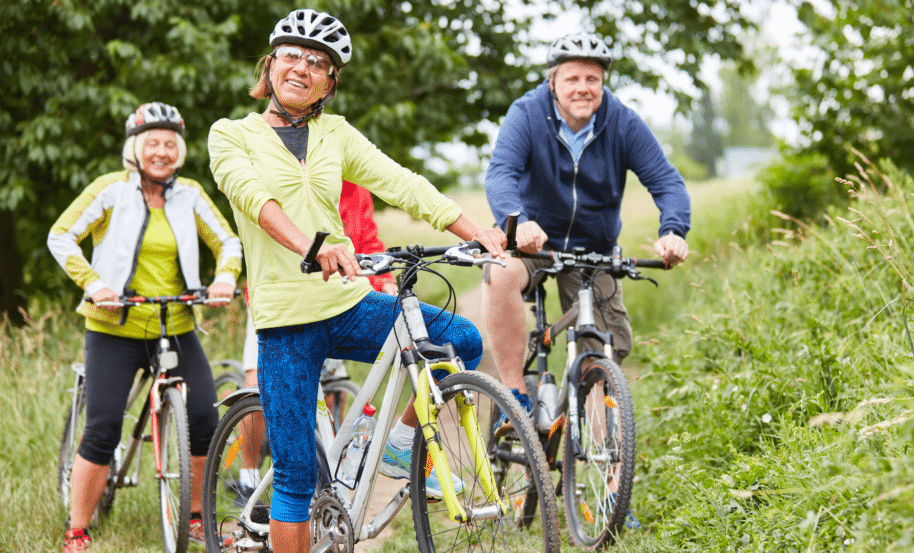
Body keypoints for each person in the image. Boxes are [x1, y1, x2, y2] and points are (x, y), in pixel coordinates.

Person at [206, 10, 506, 553]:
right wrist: (311, 244)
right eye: (292, 56)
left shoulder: (335, 133)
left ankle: (398, 444)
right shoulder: (232, 135)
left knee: (460, 339)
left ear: (329, 82)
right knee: (296, 475)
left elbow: (401, 182)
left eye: (317, 62)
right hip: (285, 319)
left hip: (348, 303)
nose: (302, 68)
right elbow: (253, 198)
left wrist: (473, 229)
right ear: (270, 65)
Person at [480, 32, 692, 527]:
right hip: (534, 242)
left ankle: (611, 493)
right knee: (499, 271)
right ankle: (514, 394)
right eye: (572, 77)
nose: (583, 87)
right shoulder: (527, 114)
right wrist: (517, 219)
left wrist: (673, 231)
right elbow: (501, 173)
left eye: (592, 78)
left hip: (594, 251)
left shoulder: (620, 121)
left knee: (599, 363)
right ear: (553, 81)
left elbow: (665, 180)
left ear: (603, 83)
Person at [48, 102, 243, 552]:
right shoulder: (110, 190)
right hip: (114, 327)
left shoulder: (190, 194)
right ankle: (77, 527)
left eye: (170, 143)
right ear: (135, 149)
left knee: (202, 418)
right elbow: (61, 235)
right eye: (152, 143)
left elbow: (227, 239)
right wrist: (94, 283)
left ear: (180, 150)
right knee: (103, 428)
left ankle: (195, 518)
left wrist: (225, 275)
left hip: (174, 323)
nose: (162, 151)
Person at [232, 181, 398, 499]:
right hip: (280, 302)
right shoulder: (287, 178)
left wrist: (385, 280)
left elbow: (368, 241)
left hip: (336, 301)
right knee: (256, 386)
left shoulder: (354, 190)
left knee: (333, 388)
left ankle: (328, 476)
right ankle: (249, 476)